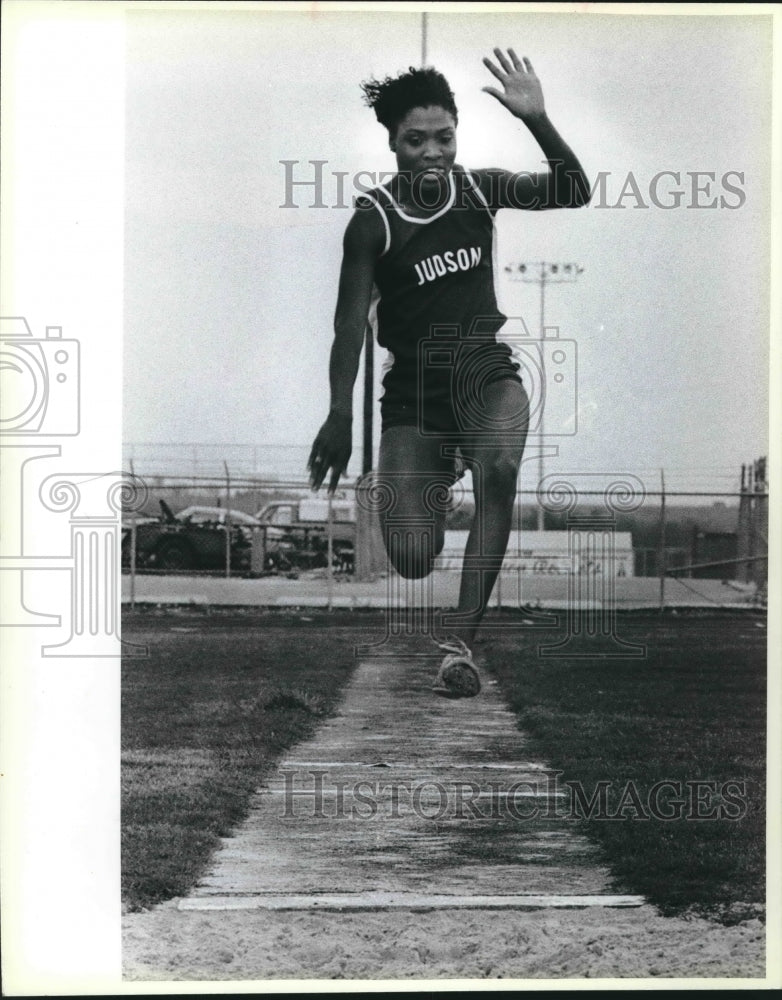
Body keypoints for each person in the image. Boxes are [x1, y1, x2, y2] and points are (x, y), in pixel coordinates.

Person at [308, 48, 589, 698]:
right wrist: (340, 414)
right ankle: (445, 461)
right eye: (416, 140)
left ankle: (459, 645)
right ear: (393, 144)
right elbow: (350, 327)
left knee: (501, 468)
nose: (432, 151)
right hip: (415, 398)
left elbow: (572, 190)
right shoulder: (372, 223)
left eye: (444, 137)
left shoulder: (478, 189)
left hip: (485, 376)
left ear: (457, 136)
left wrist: (538, 120)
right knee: (410, 556)